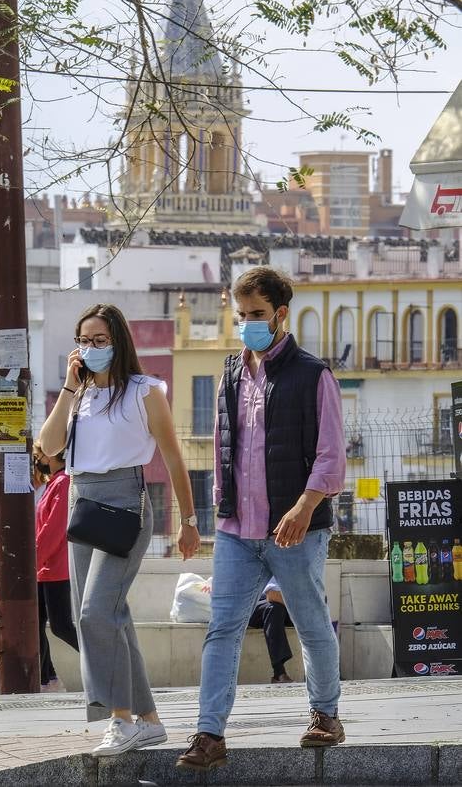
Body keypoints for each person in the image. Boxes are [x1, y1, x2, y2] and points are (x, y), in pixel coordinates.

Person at [177, 266, 346, 772]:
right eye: (241, 314)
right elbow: (222, 444)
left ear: (280, 314)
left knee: (312, 622)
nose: (248, 322)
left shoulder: (314, 375)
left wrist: (304, 507)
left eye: (257, 314)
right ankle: (210, 735)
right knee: (222, 629)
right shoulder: (231, 371)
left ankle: (326, 715)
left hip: (294, 530)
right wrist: (218, 508)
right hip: (236, 531)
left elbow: (331, 455)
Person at [40, 303, 201, 757]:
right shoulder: (79, 396)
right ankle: (149, 721)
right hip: (83, 502)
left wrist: (189, 522)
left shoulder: (144, 391)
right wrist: (70, 387)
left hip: (126, 502)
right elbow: (48, 448)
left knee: (93, 613)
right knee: (114, 616)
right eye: (83, 341)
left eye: (99, 340)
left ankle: (120, 719)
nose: (90, 349)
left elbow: (173, 457)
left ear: (118, 342)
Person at [32, 441, 79, 692]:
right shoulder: (54, 483)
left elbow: (53, 529)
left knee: (61, 626)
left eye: (38, 455)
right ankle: (47, 678)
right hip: (45, 568)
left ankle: (104, 662)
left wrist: (34, 560)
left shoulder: (63, 482)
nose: (36, 460)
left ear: (51, 455)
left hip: (55, 568)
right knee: (35, 623)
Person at [248, 577, 293, 684]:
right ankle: (279, 672)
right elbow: (273, 595)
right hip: (254, 603)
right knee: (274, 608)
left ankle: (321, 672)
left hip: (288, 604)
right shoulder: (277, 562)